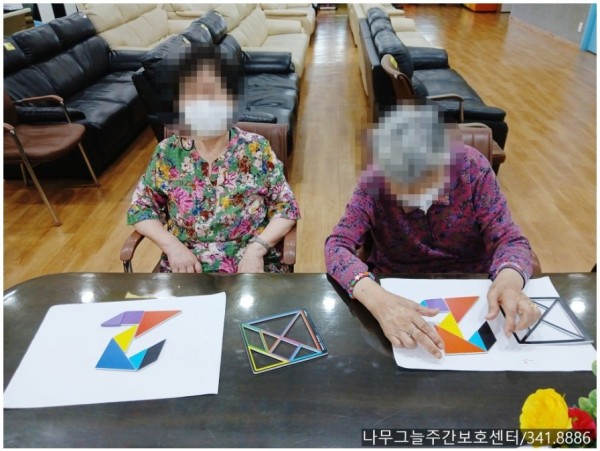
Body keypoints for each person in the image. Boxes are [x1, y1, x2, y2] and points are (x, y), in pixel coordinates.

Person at [325, 102, 541, 358]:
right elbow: (337, 245)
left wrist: (509, 280)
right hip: (396, 286)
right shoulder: (375, 180)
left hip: (473, 288)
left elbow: (510, 240)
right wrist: (378, 300)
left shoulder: (473, 169)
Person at [127, 43, 299, 273]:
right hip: (186, 268)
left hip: (250, 266)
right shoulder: (167, 153)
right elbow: (141, 208)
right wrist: (172, 247)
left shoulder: (256, 149)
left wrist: (257, 249)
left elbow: (286, 207)